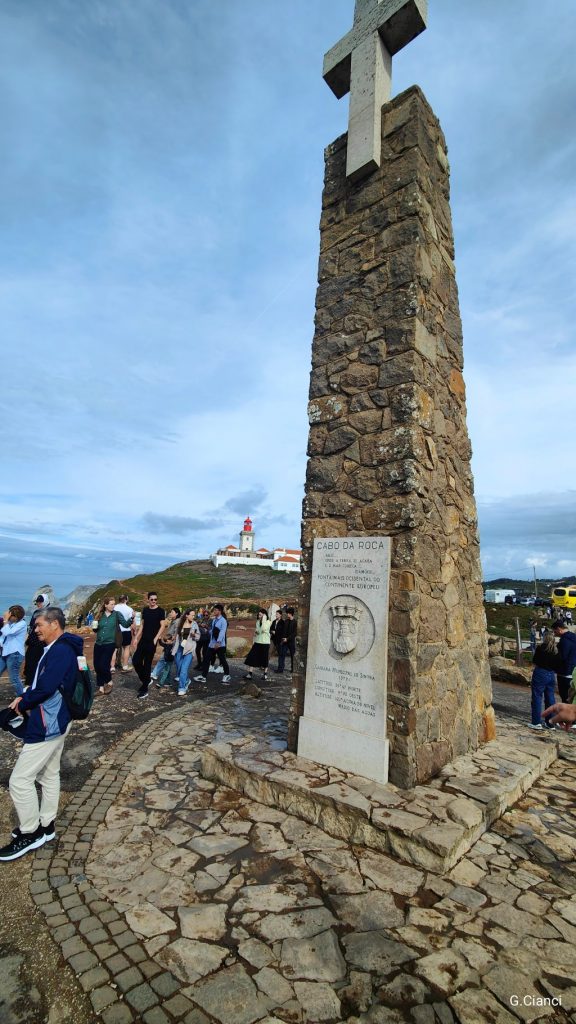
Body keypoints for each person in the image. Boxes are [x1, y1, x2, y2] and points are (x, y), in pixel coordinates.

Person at [0, 607, 83, 862]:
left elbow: (46, 688)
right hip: (59, 718)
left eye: (39, 625)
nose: (35, 630)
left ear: (55, 624)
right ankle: (46, 826)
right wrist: (26, 694)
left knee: (20, 780)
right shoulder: (64, 647)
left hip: (49, 723)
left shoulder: (60, 650)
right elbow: (46, 684)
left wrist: (22, 703)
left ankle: (30, 832)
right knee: (49, 774)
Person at [92, 598, 131, 695]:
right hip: (98, 643)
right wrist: (94, 628)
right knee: (97, 666)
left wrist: (132, 618)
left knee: (104, 665)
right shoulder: (100, 615)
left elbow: (125, 625)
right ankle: (101, 688)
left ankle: (109, 682)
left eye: (114, 604)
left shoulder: (117, 614)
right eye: (111, 604)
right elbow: (96, 630)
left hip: (110, 643)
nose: (113, 606)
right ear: (105, 605)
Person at [132, 592, 165, 699]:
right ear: (148, 600)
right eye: (152, 599)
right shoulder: (145, 610)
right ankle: (146, 680)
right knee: (136, 661)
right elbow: (142, 625)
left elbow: (162, 626)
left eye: (155, 599)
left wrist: (155, 639)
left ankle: (145, 689)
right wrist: (136, 638)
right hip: (143, 640)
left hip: (152, 642)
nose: (154, 601)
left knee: (147, 664)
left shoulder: (160, 611)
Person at [527, 633, 560, 730]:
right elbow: (558, 663)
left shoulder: (540, 648)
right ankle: (550, 723)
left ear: (545, 638)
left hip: (540, 672)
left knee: (537, 697)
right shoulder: (556, 650)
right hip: (551, 674)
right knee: (550, 698)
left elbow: (535, 660)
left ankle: (536, 722)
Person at [194, 604, 231, 684]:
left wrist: (218, 642)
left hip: (219, 645)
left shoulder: (223, 621)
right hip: (212, 644)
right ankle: (203, 676)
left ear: (219, 611)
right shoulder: (214, 620)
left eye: (215, 610)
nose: (214, 611)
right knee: (206, 659)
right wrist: (207, 628)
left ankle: (227, 675)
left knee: (222, 660)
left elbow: (222, 632)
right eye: (214, 610)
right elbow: (212, 631)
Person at [151, 607, 181, 688]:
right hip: (169, 644)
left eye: (172, 612)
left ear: (177, 613)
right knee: (167, 664)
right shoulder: (173, 621)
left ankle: (160, 681)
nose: (171, 613)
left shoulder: (177, 622)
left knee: (168, 665)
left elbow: (176, 634)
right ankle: (168, 681)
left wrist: (170, 640)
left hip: (172, 645)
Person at [0, 605, 27, 697]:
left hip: (15, 654)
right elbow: (3, 636)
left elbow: (8, 632)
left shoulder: (22, 624)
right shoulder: (10, 623)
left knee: (14, 678)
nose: (9, 617)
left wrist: (5, 620)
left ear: (16, 617)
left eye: (11, 616)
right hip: (5, 653)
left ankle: (22, 698)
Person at [24, 594, 49, 688]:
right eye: (37, 602)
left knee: (37, 663)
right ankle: (29, 683)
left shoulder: (48, 613)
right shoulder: (36, 612)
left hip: (41, 642)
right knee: (29, 661)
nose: (38, 604)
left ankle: (32, 684)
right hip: (32, 641)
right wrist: (27, 639)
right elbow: (30, 627)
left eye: (40, 602)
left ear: (45, 601)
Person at [174, 609, 201, 695]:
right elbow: (177, 637)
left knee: (183, 669)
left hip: (189, 649)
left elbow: (198, 637)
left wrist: (194, 635)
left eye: (194, 615)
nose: (193, 617)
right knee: (179, 667)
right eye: (192, 615)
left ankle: (182, 688)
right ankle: (186, 680)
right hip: (180, 649)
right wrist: (173, 646)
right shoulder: (180, 624)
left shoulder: (194, 624)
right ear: (186, 615)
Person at [243, 609, 271, 683]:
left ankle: (265, 674)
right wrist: (257, 631)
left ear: (264, 615)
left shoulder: (268, 622)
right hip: (258, 641)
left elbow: (263, 629)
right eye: (259, 615)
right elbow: (258, 630)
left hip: (265, 642)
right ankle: (250, 673)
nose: (259, 616)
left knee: (264, 659)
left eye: (261, 615)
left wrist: (264, 620)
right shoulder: (258, 622)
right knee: (252, 657)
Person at [552, 621, 576, 703]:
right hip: (573, 671)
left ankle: (565, 715)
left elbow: (561, 657)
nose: (554, 634)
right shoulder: (574, 637)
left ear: (559, 629)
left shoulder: (564, 641)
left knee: (565, 697)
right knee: (572, 697)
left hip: (564, 673)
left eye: (555, 631)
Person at [113, 595, 135, 672]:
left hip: (116, 631)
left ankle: (112, 667)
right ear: (126, 600)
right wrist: (134, 631)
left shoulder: (114, 607)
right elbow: (132, 622)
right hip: (126, 630)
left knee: (114, 649)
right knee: (126, 648)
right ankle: (125, 666)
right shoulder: (129, 609)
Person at [276, 607, 297, 675]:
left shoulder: (295, 622)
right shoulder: (286, 621)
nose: (287, 614)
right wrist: (283, 638)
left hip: (291, 642)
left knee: (292, 656)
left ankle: (293, 669)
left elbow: (294, 633)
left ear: (290, 614)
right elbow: (283, 631)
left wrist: (287, 639)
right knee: (282, 655)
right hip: (284, 641)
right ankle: (280, 669)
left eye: (288, 613)